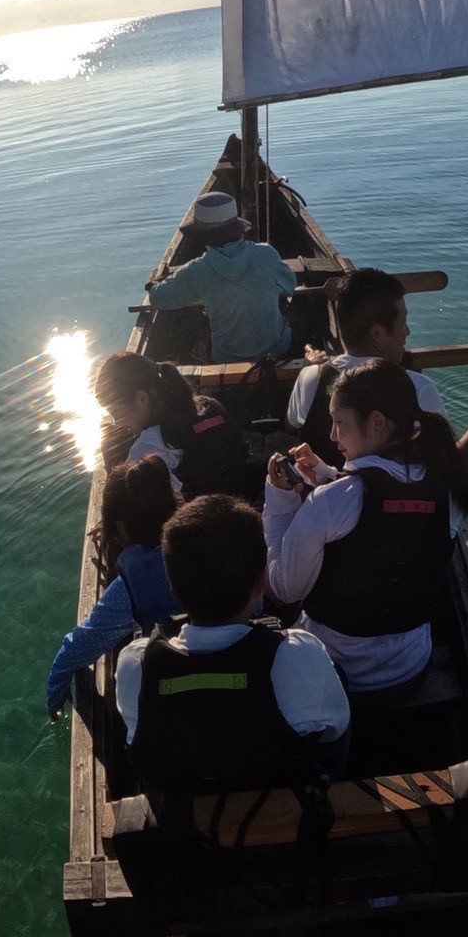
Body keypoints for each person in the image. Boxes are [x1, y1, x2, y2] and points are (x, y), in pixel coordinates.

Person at [265, 359, 468, 693]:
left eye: (338, 422)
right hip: (409, 670)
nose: (332, 436)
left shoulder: (331, 502)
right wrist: (326, 475)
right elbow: (391, 514)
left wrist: (279, 503)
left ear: (376, 422)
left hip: (336, 674)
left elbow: (284, 589)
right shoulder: (446, 487)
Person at [117, 492, 350, 789]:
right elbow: (335, 728)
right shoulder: (301, 656)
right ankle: (337, 784)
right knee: (337, 680)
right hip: (279, 807)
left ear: (173, 587)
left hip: (185, 821)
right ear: (259, 584)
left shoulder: (135, 664)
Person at [287, 266, 468, 470]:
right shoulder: (418, 387)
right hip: (391, 514)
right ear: (378, 333)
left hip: (326, 510)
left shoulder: (311, 377)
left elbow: (292, 425)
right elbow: (456, 463)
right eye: (403, 322)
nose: (408, 332)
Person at [46, 456, 181, 719]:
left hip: (175, 686)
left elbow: (75, 650)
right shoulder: (202, 541)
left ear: (119, 526)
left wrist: (54, 697)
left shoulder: (132, 587)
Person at [144, 191, 296, 363]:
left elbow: (157, 298)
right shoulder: (266, 253)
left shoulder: (196, 270)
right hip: (276, 349)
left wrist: (153, 283)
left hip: (226, 357)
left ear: (203, 238)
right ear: (238, 230)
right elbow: (290, 284)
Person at [91, 352, 248, 498]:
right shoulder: (210, 405)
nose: (118, 424)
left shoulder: (148, 447)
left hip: (201, 524)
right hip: (240, 507)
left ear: (142, 399)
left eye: (118, 415)